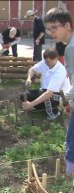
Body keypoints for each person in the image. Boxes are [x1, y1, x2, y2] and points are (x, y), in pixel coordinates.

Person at [44, 7, 74, 174]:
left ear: (67, 25)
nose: (51, 32)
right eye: (48, 28)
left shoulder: (71, 48)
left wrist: (66, 99)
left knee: (72, 142)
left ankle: (70, 179)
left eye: (54, 27)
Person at [20, 48, 70, 120]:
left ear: (56, 58)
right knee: (24, 95)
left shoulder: (60, 71)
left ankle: (54, 114)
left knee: (47, 96)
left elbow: (49, 93)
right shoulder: (45, 62)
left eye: (49, 62)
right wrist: (29, 78)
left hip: (61, 97)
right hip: (44, 91)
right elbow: (32, 69)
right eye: (46, 61)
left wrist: (31, 104)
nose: (47, 63)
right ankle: (43, 109)